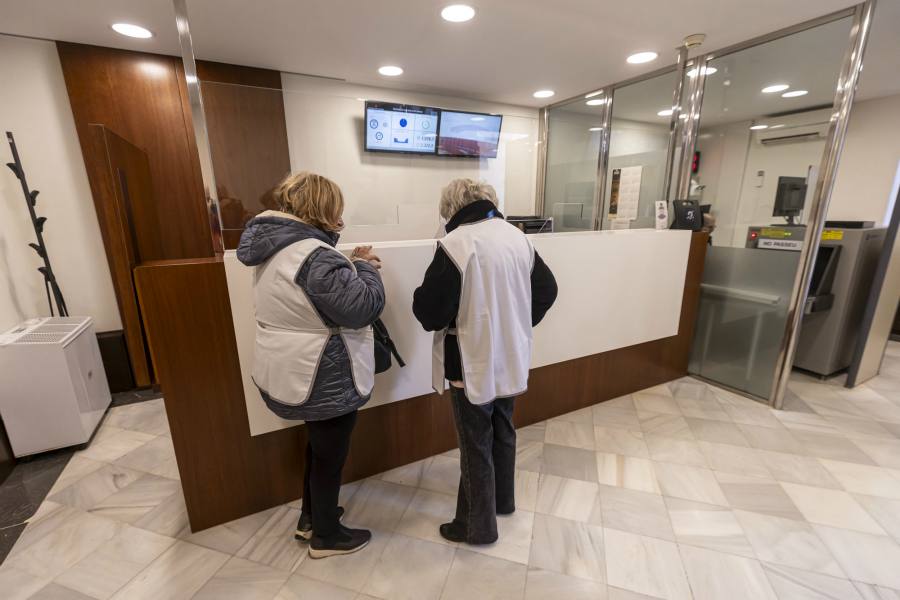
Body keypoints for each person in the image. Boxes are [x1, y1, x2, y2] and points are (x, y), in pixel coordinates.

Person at [236, 171, 384, 558]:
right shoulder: (314, 255)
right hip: (324, 373)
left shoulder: (275, 247)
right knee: (329, 455)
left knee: (319, 449)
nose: (341, 215)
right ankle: (327, 537)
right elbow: (362, 307)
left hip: (294, 367)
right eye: (337, 207)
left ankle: (312, 518)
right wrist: (365, 266)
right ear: (324, 208)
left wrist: (344, 259)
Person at [413, 178, 558, 544]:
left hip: (469, 359)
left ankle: (475, 528)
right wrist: (515, 324)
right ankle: (502, 501)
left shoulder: (456, 244)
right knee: (503, 427)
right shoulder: (517, 237)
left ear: (450, 208)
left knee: (475, 441)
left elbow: (430, 312)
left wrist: (420, 296)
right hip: (510, 354)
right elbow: (547, 290)